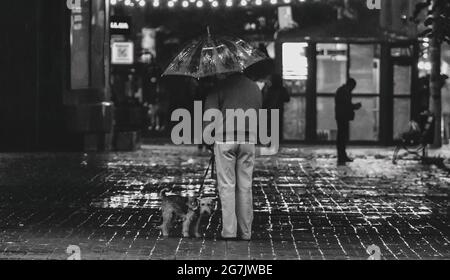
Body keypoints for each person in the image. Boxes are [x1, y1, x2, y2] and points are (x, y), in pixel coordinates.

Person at [204, 72, 262, 241]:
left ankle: (229, 231)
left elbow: (209, 117)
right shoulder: (254, 87)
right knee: (245, 186)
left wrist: (208, 141)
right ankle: (246, 232)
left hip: (225, 139)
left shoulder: (219, 87)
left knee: (227, 186)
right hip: (248, 139)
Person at [335, 78, 362, 166]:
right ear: (350, 85)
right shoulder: (344, 92)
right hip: (343, 116)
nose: (353, 89)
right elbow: (346, 105)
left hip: (341, 116)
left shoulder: (342, 91)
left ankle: (342, 155)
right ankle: (342, 155)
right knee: (342, 137)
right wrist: (355, 106)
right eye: (353, 87)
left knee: (342, 136)